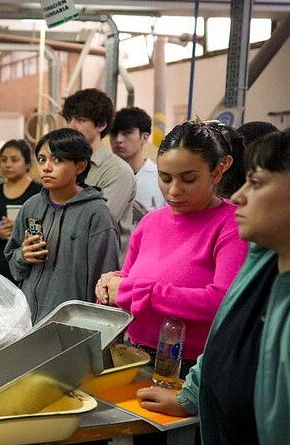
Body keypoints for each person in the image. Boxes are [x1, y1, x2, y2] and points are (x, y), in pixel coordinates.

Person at [137, 123, 290, 445]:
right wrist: (189, 396)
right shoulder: (265, 259)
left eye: (256, 183)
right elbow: (226, 338)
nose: (240, 196)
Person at [96, 121, 249, 373]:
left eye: (188, 179)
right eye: (165, 178)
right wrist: (112, 285)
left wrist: (139, 292)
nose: (174, 191)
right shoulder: (150, 222)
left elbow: (223, 301)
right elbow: (131, 278)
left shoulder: (233, 225)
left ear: (219, 170)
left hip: (194, 367)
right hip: (135, 355)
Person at [5, 128, 120, 323]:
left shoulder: (96, 213)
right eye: (41, 159)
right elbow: (14, 265)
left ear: (80, 166)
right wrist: (23, 256)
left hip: (71, 326)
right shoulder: (31, 206)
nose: (46, 168)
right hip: (28, 320)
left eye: (57, 160)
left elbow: (105, 284)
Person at [62, 89, 135, 258]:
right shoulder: (64, 165)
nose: (71, 126)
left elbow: (95, 225)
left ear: (101, 125)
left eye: (80, 120)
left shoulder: (117, 172)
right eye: (68, 119)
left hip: (101, 270)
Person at [0, 139, 42, 284]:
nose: (8, 164)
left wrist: (19, 228)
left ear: (28, 163)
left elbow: (48, 230)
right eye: (3, 160)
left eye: (14, 159)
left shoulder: (39, 194)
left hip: (29, 271)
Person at [110, 107, 165, 223]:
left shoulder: (160, 178)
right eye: (114, 133)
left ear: (144, 137)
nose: (119, 139)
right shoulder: (106, 175)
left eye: (127, 133)